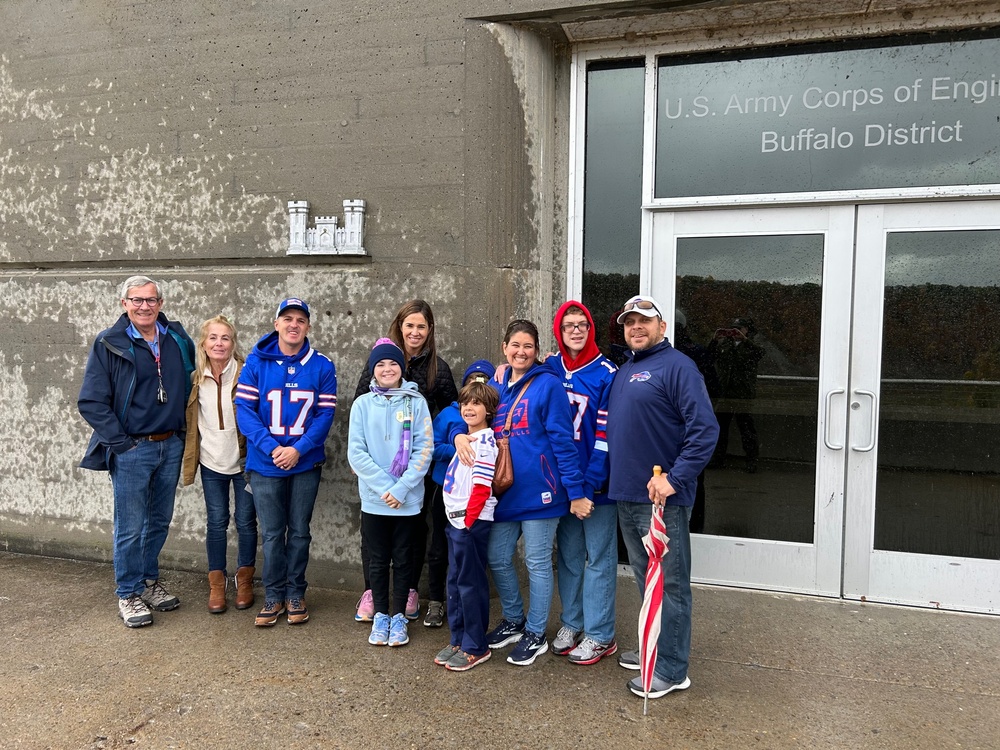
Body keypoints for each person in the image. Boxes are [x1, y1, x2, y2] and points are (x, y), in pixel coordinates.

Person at [606, 294, 719, 699]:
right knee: (647, 580)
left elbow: (705, 430)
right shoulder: (625, 370)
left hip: (661, 500)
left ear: (662, 327)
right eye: (629, 322)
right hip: (628, 496)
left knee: (670, 584)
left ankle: (672, 669)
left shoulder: (678, 367)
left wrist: (675, 478)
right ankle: (656, 646)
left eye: (644, 321)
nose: (636, 328)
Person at [466, 319, 585, 667]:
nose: (521, 352)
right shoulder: (497, 385)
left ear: (536, 351)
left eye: (528, 346)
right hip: (504, 492)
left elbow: (563, 441)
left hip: (542, 491)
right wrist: (459, 435)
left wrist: (574, 490)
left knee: (536, 563)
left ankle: (536, 633)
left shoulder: (548, 385)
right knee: (499, 557)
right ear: (504, 348)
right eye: (515, 345)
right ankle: (515, 620)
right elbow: (471, 416)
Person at [78, 275, 195, 628]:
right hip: (132, 449)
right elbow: (91, 402)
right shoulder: (109, 342)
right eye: (136, 300)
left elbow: (193, 380)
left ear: (160, 303)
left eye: (151, 300)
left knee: (158, 521)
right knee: (130, 526)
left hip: (170, 444)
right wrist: (121, 444)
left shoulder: (176, 338)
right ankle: (127, 593)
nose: (144, 306)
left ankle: (148, 582)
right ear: (124, 304)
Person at [353, 300, 457, 624]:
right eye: (409, 325)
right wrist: (380, 479)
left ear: (429, 331)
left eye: (421, 326)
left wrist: (437, 447)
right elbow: (361, 409)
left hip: (416, 470)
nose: (414, 332)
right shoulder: (380, 360)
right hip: (377, 475)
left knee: (412, 534)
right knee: (373, 536)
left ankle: (409, 590)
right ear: (400, 326)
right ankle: (373, 592)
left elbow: (452, 412)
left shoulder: (437, 369)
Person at [235, 298, 336, 627]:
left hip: (305, 464)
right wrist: (270, 447)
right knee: (272, 533)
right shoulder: (256, 362)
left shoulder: (321, 365)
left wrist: (299, 449)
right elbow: (245, 412)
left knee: (299, 533)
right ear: (276, 323)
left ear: (308, 326)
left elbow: (325, 415)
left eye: (301, 320)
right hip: (265, 464)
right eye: (287, 318)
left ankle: (296, 592)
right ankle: (274, 595)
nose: (294, 324)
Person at [348, 339, 433, 648]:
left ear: (402, 368)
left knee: (404, 558)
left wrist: (401, 488)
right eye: (381, 364)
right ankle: (381, 614)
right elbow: (356, 453)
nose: (387, 369)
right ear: (373, 369)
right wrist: (385, 488)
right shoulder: (362, 405)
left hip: (407, 500)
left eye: (393, 364)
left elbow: (425, 450)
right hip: (375, 500)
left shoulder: (416, 402)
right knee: (378, 560)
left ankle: (399, 616)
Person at [549, 301, 620, 665]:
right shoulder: (549, 367)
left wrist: (591, 483)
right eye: (568, 325)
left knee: (599, 559)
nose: (575, 330)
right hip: (563, 482)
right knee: (570, 557)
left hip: (596, 487)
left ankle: (600, 633)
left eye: (582, 325)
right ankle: (572, 622)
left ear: (591, 330)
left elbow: (607, 434)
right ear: (559, 331)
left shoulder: (607, 372)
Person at [182, 315, 257, 613]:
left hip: (243, 460)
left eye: (225, 338)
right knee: (216, 522)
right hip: (211, 461)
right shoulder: (195, 377)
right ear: (203, 343)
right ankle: (216, 584)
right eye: (213, 338)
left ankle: (246, 579)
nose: (219, 343)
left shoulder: (246, 373)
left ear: (233, 343)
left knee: (246, 522)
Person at [433, 380, 500, 672]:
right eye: (465, 403)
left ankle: (476, 645)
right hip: (456, 521)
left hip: (469, 524)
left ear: (489, 410)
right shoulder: (467, 439)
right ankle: (458, 637)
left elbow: (482, 488)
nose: (469, 408)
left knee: (470, 584)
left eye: (476, 403)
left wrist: (468, 523)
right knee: (455, 581)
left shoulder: (486, 443)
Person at [709, 317, 764, 473]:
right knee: (720, 429)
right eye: (733, 329)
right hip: (725, 393)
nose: (736, 332)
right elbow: (710, 357)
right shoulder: (725, 345)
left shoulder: (751, 345)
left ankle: (751, 460)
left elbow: (760, 353)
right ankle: (718, 458)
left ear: (746, 329)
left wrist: (745, 340)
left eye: (739, 328)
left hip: (742, 394)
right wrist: (714, 340)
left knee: (746, 429)